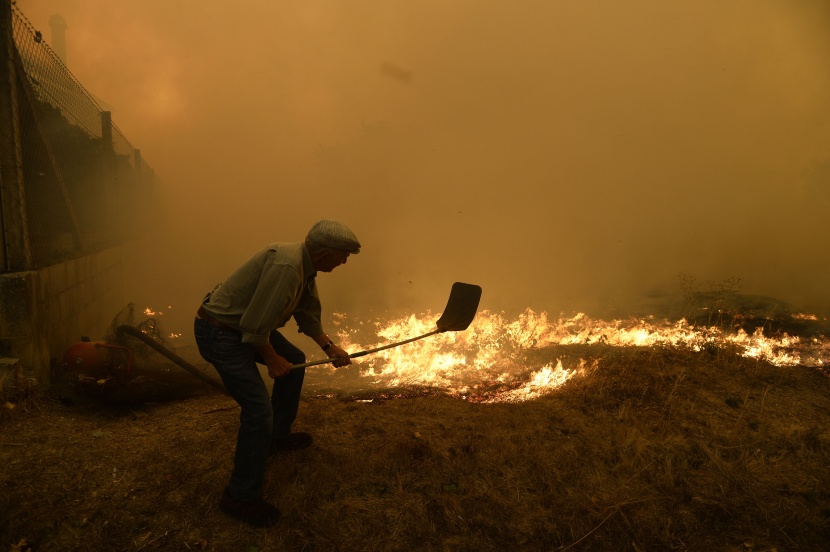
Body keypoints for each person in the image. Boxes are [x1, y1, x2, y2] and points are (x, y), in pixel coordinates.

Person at [193, 219, 360, 527]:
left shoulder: (304, 265)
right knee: (258, 412)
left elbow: (307, 312)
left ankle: (276, 437)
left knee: (294, 358)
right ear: (324, 254)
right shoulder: (287, 269)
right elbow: (255, 329)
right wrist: (271, 359)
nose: (345, 261)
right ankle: (239, 496)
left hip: (244, 327)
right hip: (222, 334)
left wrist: (329, 347)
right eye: (343, 255)